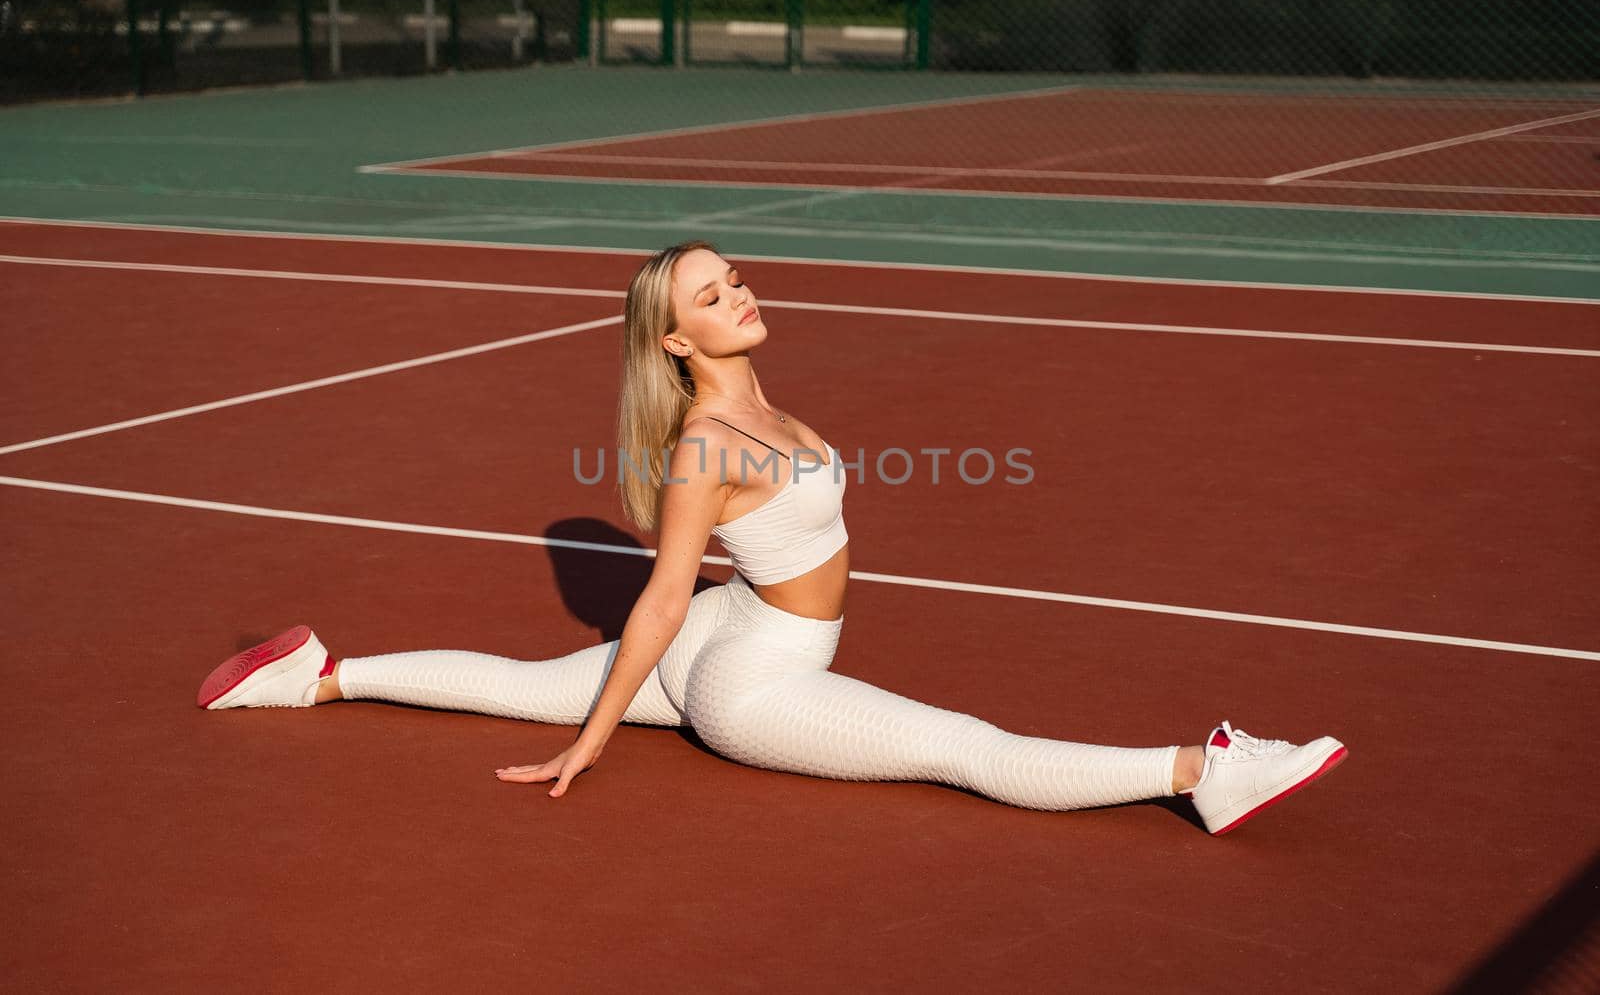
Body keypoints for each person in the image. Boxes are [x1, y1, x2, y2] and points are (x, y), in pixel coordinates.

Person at [197, 241, 1346, 835]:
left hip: (727, 629)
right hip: (748, 678)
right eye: (710, 296)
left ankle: (319, 679)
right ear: (676, 341)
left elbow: (671, 609)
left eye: (732, 278)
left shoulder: (753, 402)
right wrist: (599, 741)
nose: (737, 295)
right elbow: (655, 599)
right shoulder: (708, 440)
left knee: (524, 684)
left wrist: (597, 708)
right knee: (966, 745)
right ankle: (1205, 772)